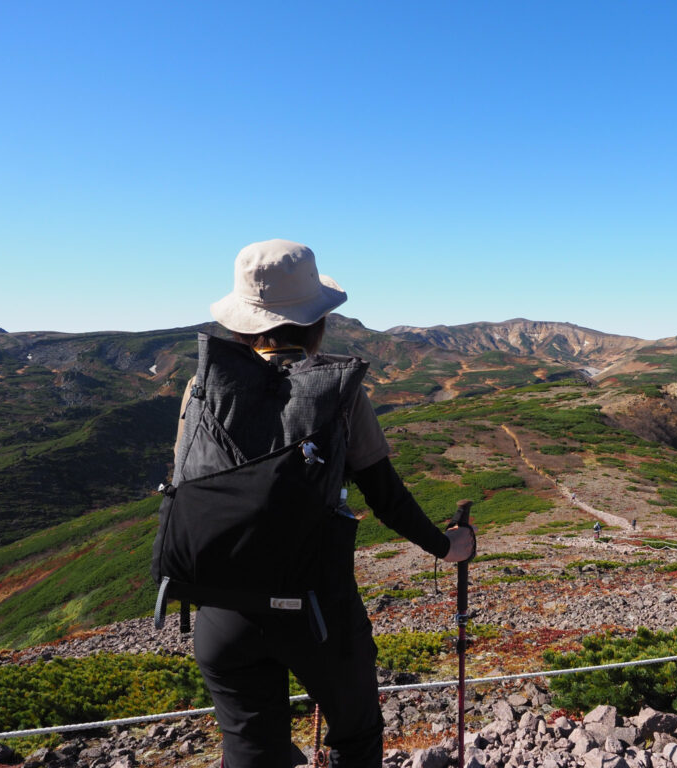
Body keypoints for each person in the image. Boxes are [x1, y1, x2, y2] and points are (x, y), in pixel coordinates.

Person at [175, 239, 476, 768]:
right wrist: (448, 547)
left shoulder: (202, 387)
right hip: (317, 609)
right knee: (356, 735)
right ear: (316, 322)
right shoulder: (337, 390)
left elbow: (186, 485)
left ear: (242, 323)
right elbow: (384, 496)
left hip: (222, 610)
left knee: (251, 749)